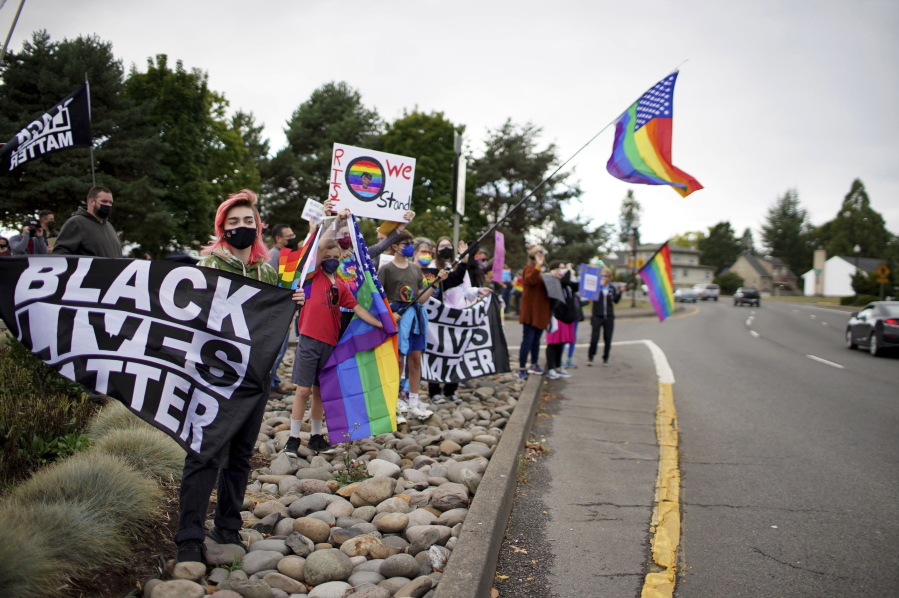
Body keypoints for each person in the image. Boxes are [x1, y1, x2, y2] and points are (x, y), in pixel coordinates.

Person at [174, 189, 306, 564]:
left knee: (240, 456)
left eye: (249, 221)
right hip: (214, 378)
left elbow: (268, 328)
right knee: (204, 452)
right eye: (234, 222)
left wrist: (288, 306)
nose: (242, 227)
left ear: (259, 227)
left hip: (255, 377)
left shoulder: (267, 271)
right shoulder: (208, 267)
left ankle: (227, 525)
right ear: (222, 228)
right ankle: (189, 536)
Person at [283, 237, 385, 456]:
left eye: (335, 258)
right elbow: (318, 248)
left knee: (320, 391)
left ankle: (316, 437)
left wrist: (380, 323)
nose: (330, 260)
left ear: (341, 259)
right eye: (327, 257)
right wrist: (335, 223)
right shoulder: (312, 277)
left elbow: (358, 309)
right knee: (303, 390)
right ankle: (292, 438)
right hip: (310, 339)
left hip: (330, 343)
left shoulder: (341, 285)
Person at [379, 230, 447, 419]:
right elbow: (378, 297)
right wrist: (390, 314)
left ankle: (413, 402)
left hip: (415, 318)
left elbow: (420, 298)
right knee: (398, 361)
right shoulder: (386, 269)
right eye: (404, 243)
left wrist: (435, 283)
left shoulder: (416, 269)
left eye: (410, 242)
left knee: (415, 360)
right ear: (394, 247)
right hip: (398, 320)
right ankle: (395, 401)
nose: (409, 246)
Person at [267, 223, 298, 398]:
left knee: (283, 347)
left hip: (286, 307)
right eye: (289, 236)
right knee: (277, 349)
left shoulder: (284, 254)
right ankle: (268, 386)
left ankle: (274, 381)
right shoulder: (273, 256)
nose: (292, 238)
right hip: (278, 310)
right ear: (278, 239)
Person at [52, 186, 122, 258]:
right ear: (91, 201)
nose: (108, 205)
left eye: (110, 203)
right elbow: (60, 254)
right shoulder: (76, 223)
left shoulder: (109, 226)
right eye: (104, 201)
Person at [518, 245, 551, 378]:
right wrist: (538, 265)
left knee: (536, 339)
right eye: (537, 254)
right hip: (531, 311)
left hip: (540, 310)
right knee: (528, 339)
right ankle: (521, 367)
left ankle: (534, 364)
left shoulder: (541, 271)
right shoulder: (529, 269)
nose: (540, 256)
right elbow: (530, 280)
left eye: (542, 254)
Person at [544, 261, 578, 379]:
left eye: (563, 268)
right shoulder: (552, 281)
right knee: (553, 343)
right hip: (556, 316)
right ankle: (551, 368)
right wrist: (568, 271)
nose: (562, 271)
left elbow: (576, 286)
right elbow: (562, 283)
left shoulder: (567, 282)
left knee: (561, 343)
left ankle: (558, 366)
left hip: (567, 317)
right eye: (560, 268)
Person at [587, 269, 621, 366]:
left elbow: (615, 301)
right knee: (594, 337)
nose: (604, 278)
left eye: (606, 276)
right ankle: (590, 357)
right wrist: (599, 287)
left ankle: (605, 358)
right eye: (602, 276)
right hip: (597, 315)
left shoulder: (612, 288)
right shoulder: (596, 287)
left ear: (609, 278)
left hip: (609, 316)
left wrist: (620, 293)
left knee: (608, 338)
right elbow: (590, 299)